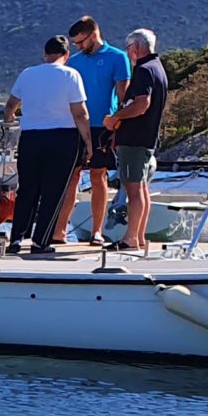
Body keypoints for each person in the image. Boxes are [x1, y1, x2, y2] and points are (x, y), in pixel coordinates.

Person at [5, 36, 94, 255]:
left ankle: (16, 238)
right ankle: (41, 241)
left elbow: (10, 105)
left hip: (31, 137)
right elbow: (80, 113)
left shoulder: (28, 73)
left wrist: (11, 119)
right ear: (66, 55)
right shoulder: (70, 74)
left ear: (45, 55)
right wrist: (88, 142)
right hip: (63, 137)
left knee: (27, 190)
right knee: (53, 191)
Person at [50, 16, 132, 245]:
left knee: (98, 176)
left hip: (102, 127)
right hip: (74, 126)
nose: (77, 47)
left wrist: (118, 125)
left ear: (93, 35)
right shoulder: (73, 63)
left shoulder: (118, 57)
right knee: (72, 177)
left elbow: (123, 97)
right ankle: (59, 230)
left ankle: (97, 231)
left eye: (80, 42)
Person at [107, 28, 172, 252]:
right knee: (142, 189)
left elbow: (141, 104)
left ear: (135, 47)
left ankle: (130, 239)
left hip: (134, 140)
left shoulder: (144, 70)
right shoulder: (159, 69)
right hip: (146, 139)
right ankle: (139, 236)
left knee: (133, 191)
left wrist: (116, 117)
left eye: (128, 49)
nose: (128, 53)